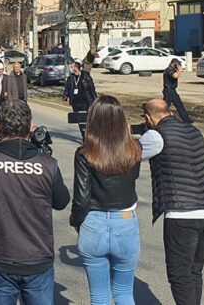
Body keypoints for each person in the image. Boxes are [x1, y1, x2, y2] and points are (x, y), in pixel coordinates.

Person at [0, 100, 70, 304]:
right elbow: (62, 201)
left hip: (0, 255)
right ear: (31, 126)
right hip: (37, 257)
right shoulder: (48, 164)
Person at [70, 96, 148, 305]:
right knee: (124, 292)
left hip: (93, 222)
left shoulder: (85, 153)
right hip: (125, 220)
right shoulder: (134, 150)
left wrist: (76, 222)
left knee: (100, 296)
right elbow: (132, 179)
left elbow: (81, 199)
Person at [140, 99, 204, 305]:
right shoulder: (194, 132)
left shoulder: (155, 135)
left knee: (179, 275)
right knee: (194, 272)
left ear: (148, 118)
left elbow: (128, 156)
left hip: (180, 214)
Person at [63, 60, 97, 138]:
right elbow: (67, 88)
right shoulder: (71, 78)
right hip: (75, 102)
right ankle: (83, 136)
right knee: (79, 120)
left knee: (84, 120)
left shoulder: (86, 77)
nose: (71, 68)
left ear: (76, 67)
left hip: (84, 102)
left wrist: (95, 100)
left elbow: (92, 89)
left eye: (72, 66)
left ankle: (87, 136)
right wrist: (65, 96)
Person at [163, 59, 191, 123]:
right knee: (165, 106)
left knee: (179, 105)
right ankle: (159, 118)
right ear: (174, 63)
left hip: (172, 90)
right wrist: (179, 70)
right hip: (168, 90)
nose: (178, 65)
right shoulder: (169, 69)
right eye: (177, 64)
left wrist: (179, 70)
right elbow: (175, 76)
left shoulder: (172, 69)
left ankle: (187, 120)